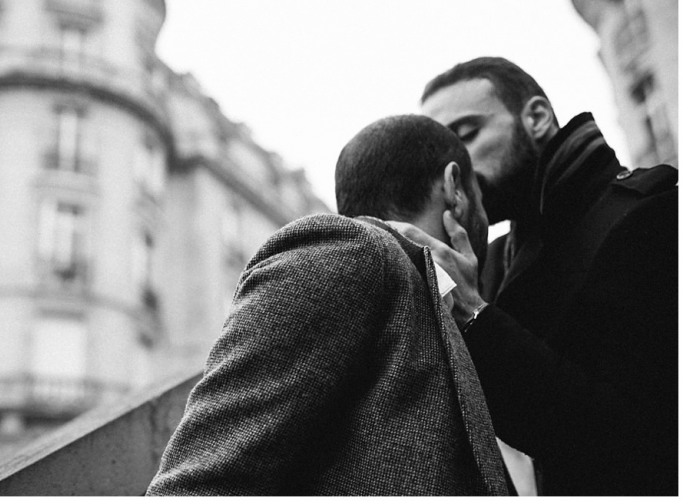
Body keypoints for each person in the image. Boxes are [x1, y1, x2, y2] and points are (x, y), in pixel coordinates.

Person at [146, 115, 508, 496]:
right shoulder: (353, 252)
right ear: (454, 187)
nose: (485, 217)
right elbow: (198, 484)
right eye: (480, 197)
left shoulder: (428, 296)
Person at [412, 56, 677, 496]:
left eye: (467, 136)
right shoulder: (492, 262)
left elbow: (630, 437)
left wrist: (473, 314)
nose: (456, 169)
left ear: (535, 117)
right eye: (443, 158)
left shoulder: (656, 214)